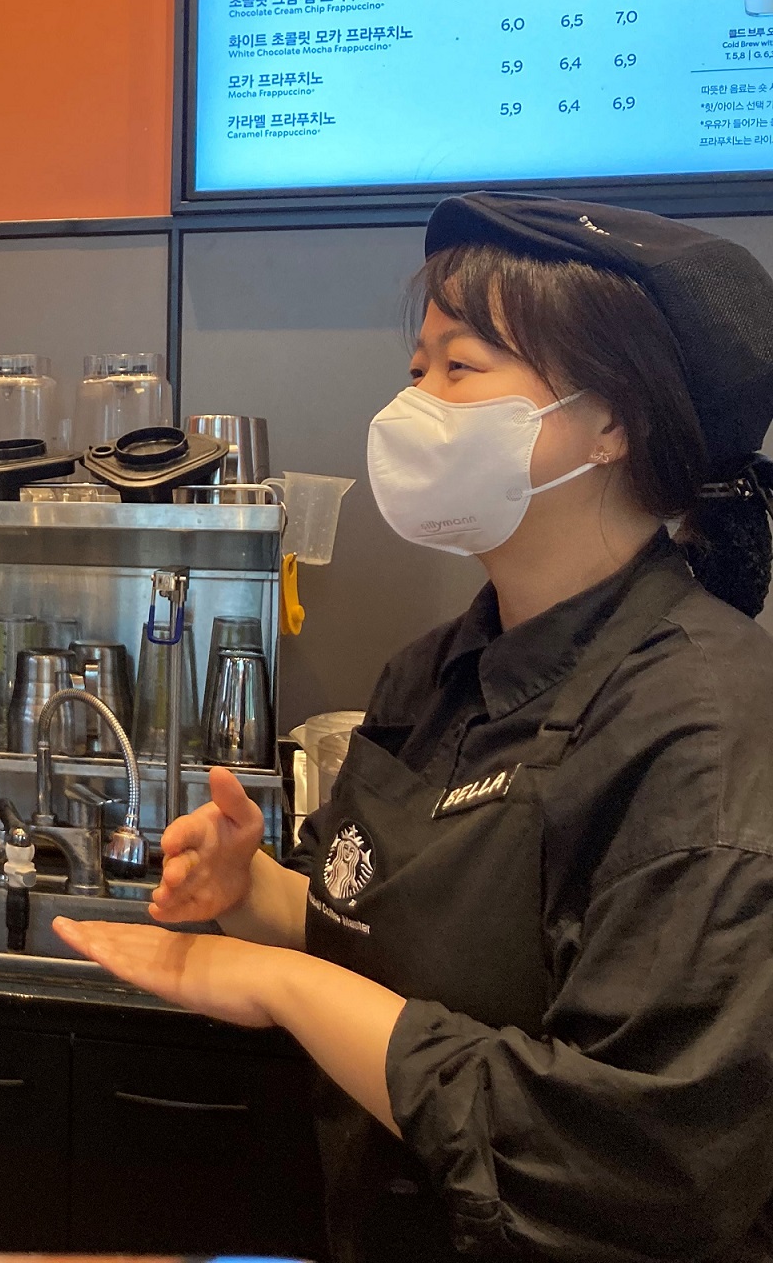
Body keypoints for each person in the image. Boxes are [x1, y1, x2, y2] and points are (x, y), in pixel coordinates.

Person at [56, 195, 773, 1261]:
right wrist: (253, 891)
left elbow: (642, 1161)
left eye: (460, 368)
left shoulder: (704, 729)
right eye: (415, 369)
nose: (412, 406)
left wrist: (284, 983)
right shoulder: (431, 673)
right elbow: (384, 932)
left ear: (612, 419)